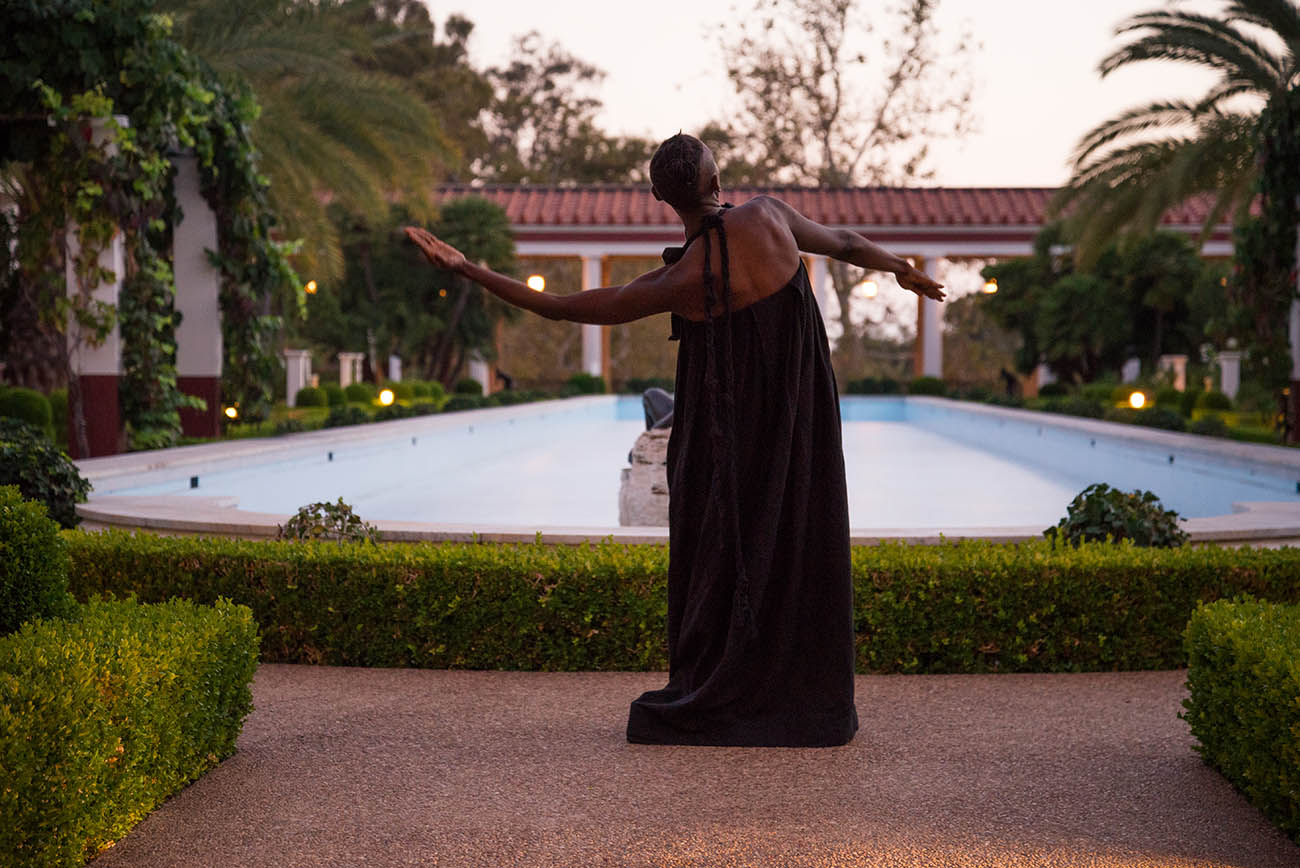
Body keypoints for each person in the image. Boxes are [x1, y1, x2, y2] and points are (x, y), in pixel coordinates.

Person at [406, 133, 944, 747]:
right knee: (799, 534)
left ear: (667, 201)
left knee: (732, 547)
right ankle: (805, 696)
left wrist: (466, 268)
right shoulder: (768, 216)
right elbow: (846, 244)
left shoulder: (682, 280)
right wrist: (900, 268)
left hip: (732, 438)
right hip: (800, 424)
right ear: (717, 184)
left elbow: (561, 306)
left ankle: (731, 680)